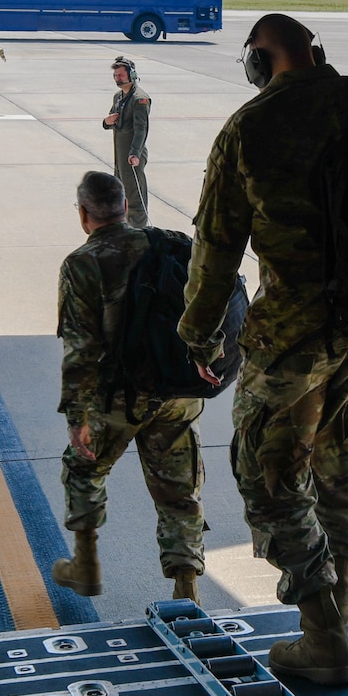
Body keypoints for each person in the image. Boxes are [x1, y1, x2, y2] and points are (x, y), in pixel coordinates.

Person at [178, 13, 348, 684]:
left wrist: (197, 333)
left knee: (268, 474)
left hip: (295, 337)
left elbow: (217, 251)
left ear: (259, 60)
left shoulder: (251, 127)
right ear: (315, 51)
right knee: (339, 460)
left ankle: (322, 631)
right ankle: (340, 606)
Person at [51, 171, 206, 602]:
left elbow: (80, 349)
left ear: (84, 214)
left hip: (119, 398)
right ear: (123, 206)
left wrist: (76, 417)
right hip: (177, 394)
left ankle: (85, 567)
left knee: (83, 468)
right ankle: (186, 588)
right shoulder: (167, 244)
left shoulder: (83, 263)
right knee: (178, 489)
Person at [102, 56, 151, 227]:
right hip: (120, 155)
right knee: (120, 194)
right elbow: (111, 121)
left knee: (135, 196)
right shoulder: (118, 96)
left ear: (132, 74)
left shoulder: (140, 99)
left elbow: (141, 129)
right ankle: (125, 230)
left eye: (121, 75)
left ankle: (139, 232)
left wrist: (135, 153)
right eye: (115, 75)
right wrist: (106, 122)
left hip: (131, 155)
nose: (118, 78)